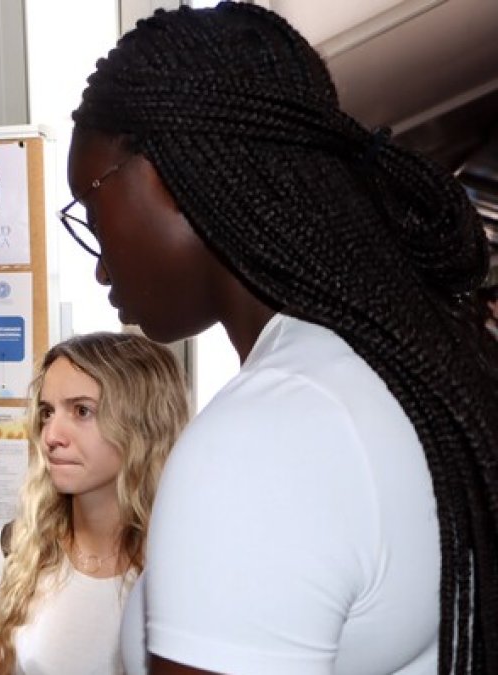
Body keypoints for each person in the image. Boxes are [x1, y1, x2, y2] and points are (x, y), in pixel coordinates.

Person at [62, 4, 498, 673]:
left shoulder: (264, 441)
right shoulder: (403, 367)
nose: (98, 259)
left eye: (92, 207)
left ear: (169, 176)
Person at [0, 332, 189, 675]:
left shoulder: (184, 565)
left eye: (82, 411)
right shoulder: (15, 548)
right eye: (47, 412)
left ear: (143, 425)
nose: (51, 436)